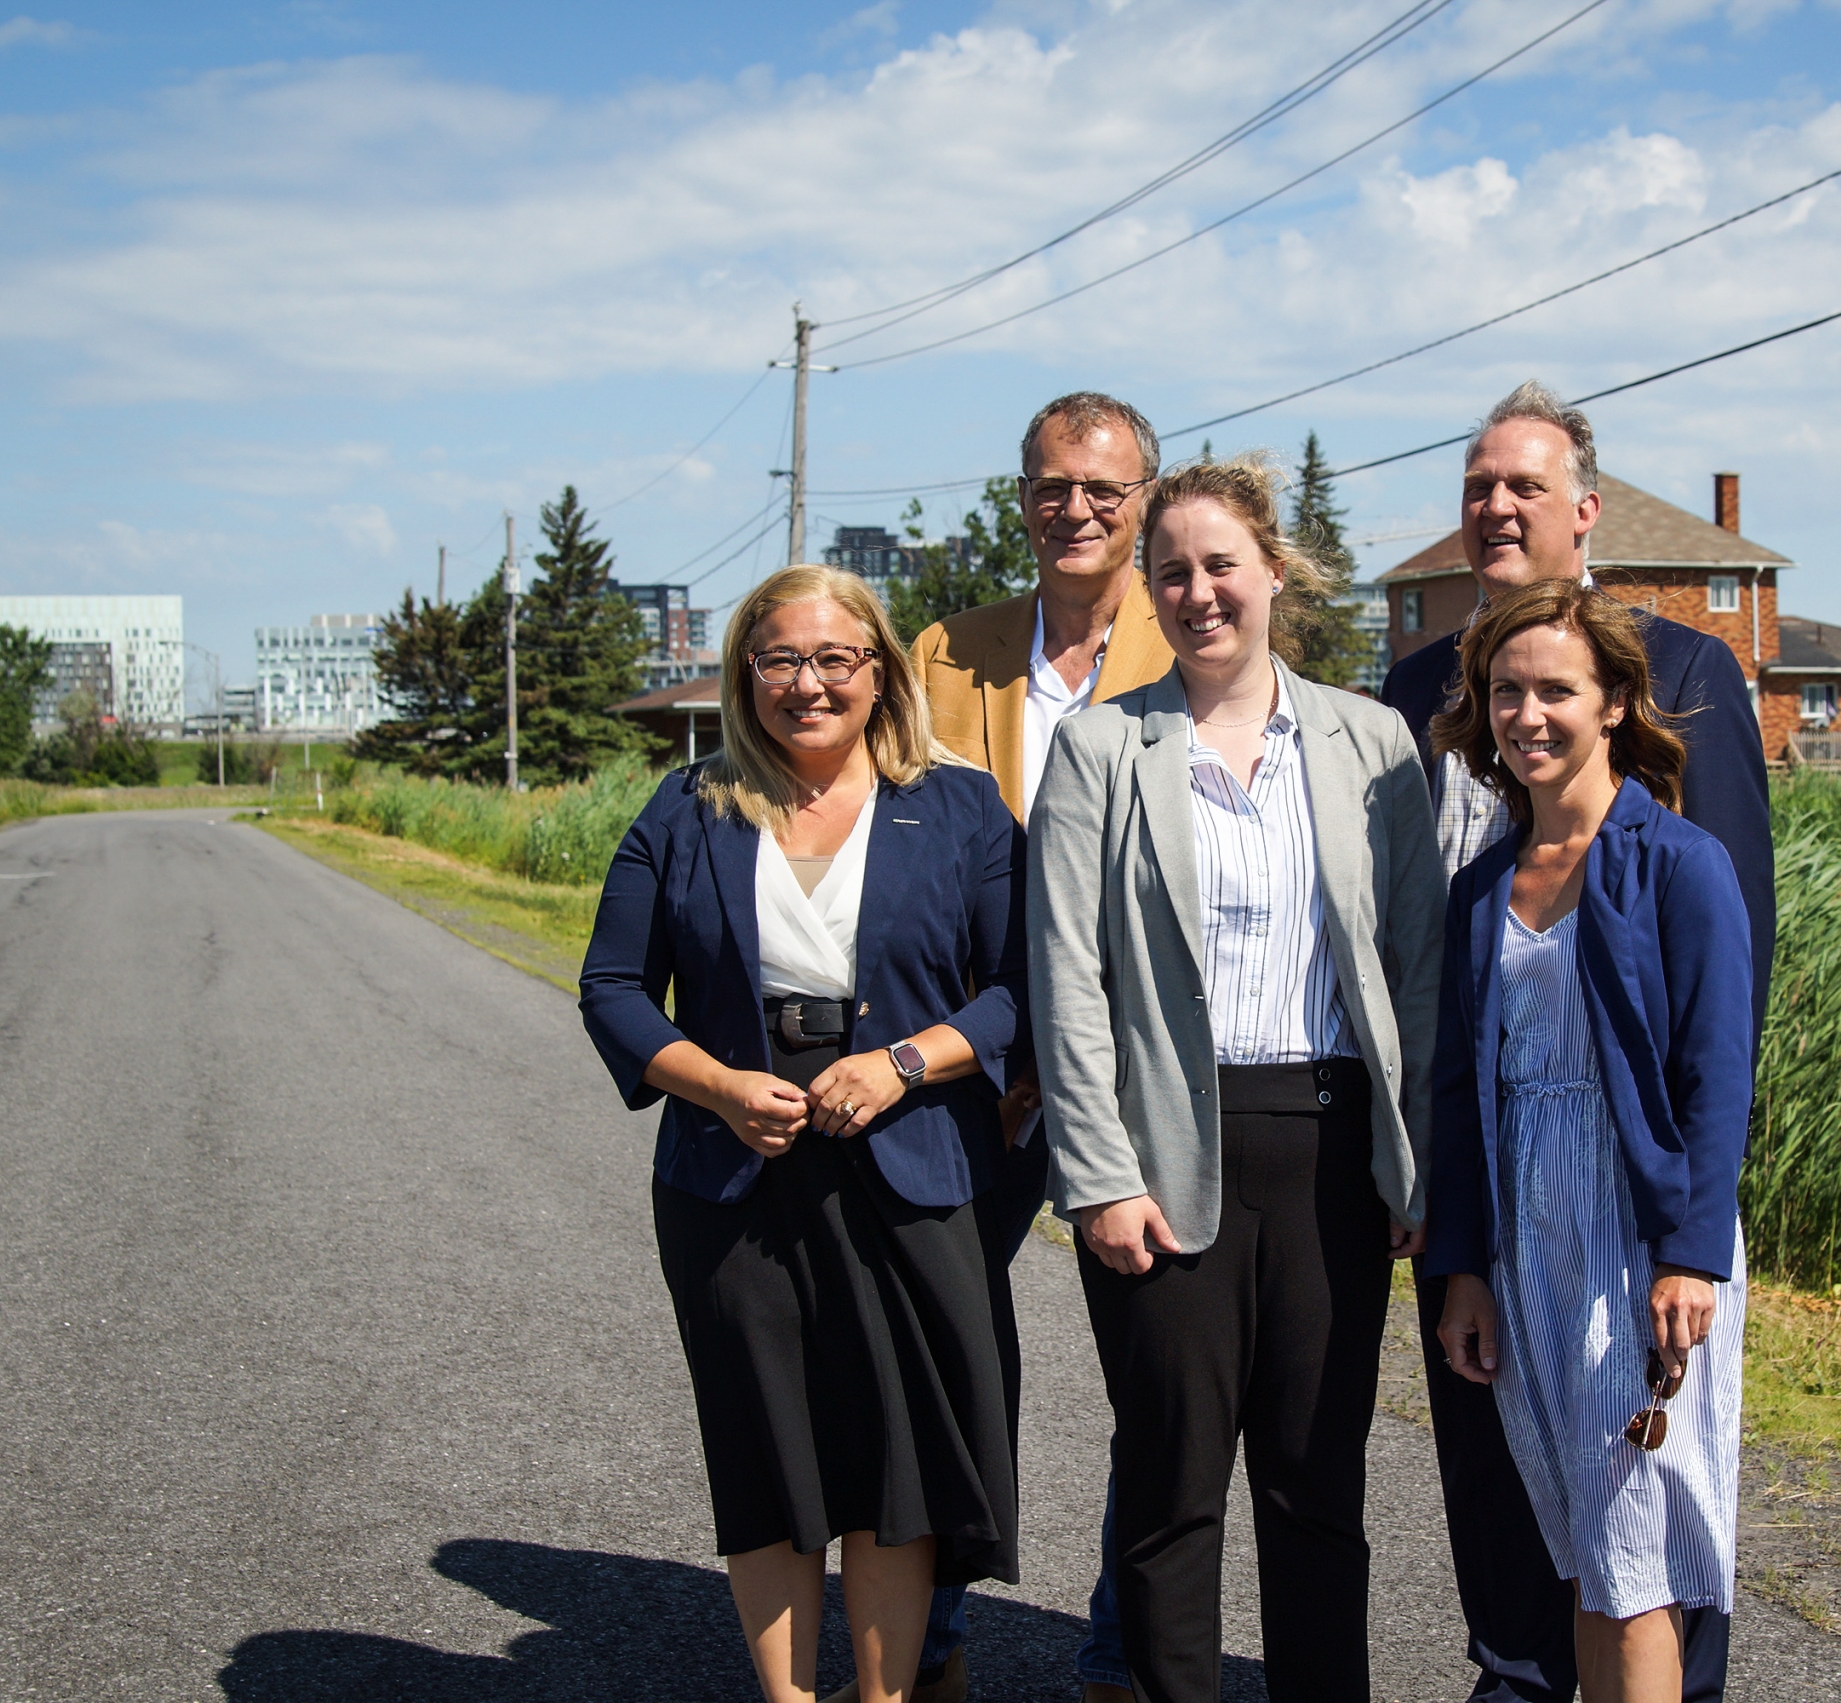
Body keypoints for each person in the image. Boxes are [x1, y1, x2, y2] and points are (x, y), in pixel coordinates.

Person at [1379, 381, 1773, 1703]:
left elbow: (1723, 989)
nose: (1496, 506)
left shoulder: (1687, 675)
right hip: (1494, 1164)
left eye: (1525, 485)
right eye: (1478, 486)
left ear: (1586, 509)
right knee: (1512, 1462)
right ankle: (1517, 1672)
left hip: (1629, 1179)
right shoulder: (1420, 694)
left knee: (1638, 1519)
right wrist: (1447, 1213)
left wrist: (1690, 1216)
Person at [1029, 455, 1443, 1703]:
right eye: (1172, 572)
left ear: (1273, 571)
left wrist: (1413, 1160)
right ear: (1146, 590)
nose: (1199, 591)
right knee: (1171, 1485)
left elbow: (1416, 967)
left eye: (1221, 564)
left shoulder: (1371, 740)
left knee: (1317, 1487)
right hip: (1164, 1158)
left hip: (1330, 1154)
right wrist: (1098, 1178)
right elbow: (1066, 976)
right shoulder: (1101, 746)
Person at [579, 565, 1027, 1703]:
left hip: (913, 1163)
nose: (808, 683)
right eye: (779, 658)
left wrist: (903, 1061)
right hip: (733, 1172)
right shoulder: (687, 806)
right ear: (746, 673)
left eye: (835, 658)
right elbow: (613, 987)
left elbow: (1023, 988)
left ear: (879, 671)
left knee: (896, 1457)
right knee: (767, 1448)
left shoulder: (961, 805)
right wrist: (717, 1086)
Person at [902, 390, 1175, 1703]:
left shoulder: (1195, 634)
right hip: (983, 1062)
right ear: (1021, 498)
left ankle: (1121, 1656)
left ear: (1143, 502)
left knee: (1161, 1370)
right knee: (939, 1344)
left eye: (1103, 489)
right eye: (1053, 485)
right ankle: (927, 1640)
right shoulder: (944, 654)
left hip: (1142, 1065)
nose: (1076, 508)